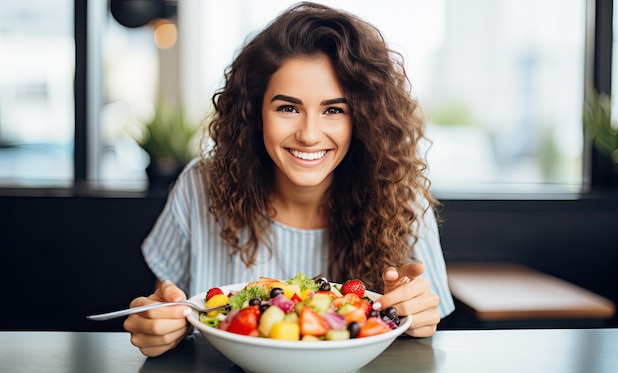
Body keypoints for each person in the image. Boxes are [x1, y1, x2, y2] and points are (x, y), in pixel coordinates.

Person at [124, 1, 455, 357]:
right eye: (288, 108)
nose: (310, 135)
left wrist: (419, 319)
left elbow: (428, 326)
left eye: (333, 110)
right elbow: (165, 304)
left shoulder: (402, 196)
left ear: (364, 119)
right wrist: (159, 326)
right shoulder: (198, 187)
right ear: (255, 112)